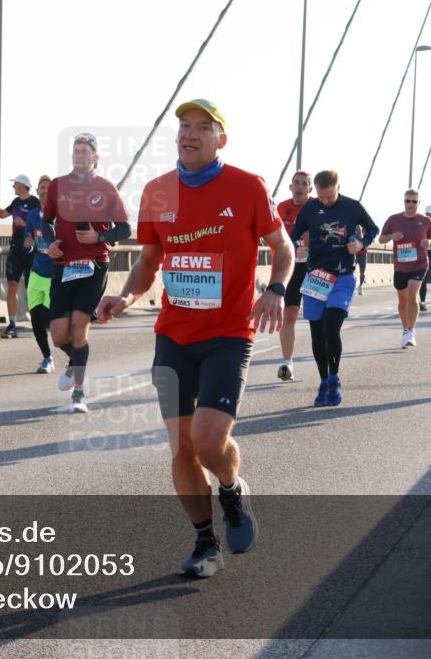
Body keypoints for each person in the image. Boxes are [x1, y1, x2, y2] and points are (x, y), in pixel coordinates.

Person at [96, 98, 293, 578]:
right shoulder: (158, 191)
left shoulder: (248, 187)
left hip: (228, 335)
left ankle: (231, 487)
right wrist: (124, 297)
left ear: (220, 139)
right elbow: (149, 260)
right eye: (184, 126)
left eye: (203, 127)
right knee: (182, 448)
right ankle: (205, 544)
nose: (190, 134)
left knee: (208, 441)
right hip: (174, 337)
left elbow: (282, 247)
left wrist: (276, 289)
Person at [42, 132, 131, 413]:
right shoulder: (57, 186)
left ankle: (78, 393)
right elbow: (46, 222)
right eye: (76, 151)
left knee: (80, 325)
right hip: (64, 266)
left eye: (85, 152)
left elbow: (125, 228)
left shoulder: (105, 188)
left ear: (95, 158)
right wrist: (51, 242)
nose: (80, 155)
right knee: (58, 335)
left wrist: (100, 238)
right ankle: (75, 362)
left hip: (94, 265)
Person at [291, 169, 379, 407]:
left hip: (342, 277)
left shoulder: (352, 207)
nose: (326, 201)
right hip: (316, 277)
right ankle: (323, 381)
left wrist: (361, 243)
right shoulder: (309, 209)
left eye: (330, 197)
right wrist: (297, 246)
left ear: (338, 188)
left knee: (332, 330)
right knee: (317, 334)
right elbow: (292, 235)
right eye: (322, 197)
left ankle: (334, 377)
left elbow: (373, 229)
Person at [0, 175, 41, 338]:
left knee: (32, 288)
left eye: (15, 183)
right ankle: (12, 325)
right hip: (15, 250)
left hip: (32, 250)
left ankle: (38, 321)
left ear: (22, 185)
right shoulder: (16, 203)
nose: (13, 186)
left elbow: (44, 224)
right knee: (12, 285)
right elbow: (1, 214)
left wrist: (26, 224)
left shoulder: (36, 202)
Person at [379, 189, 431, 348]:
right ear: (404, 202)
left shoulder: (425, 220)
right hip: (401, 265)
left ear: (419, 203)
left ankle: (411, 331)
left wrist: (429, 243)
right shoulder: (393, 219)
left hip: (420, 263)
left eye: (414, 201)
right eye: (407, 201)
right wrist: (391, 236)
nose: (410, 204)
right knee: (403, 300)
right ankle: (405, 329)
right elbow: (381, 239)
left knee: (412, 294)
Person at [276, 170, 313, 381]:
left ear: (310, 188)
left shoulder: (317, 207)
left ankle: (324, 359)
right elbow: (275, 236)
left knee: (320, 317)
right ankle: (287, 362)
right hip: (292, 268)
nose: (299, 187)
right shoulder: (282, 208)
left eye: (304, 184)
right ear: (291, 187)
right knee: (288, 315)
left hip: (315, 269)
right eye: (296, 183)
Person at [23, 176, 56, 373]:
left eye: (48, 188)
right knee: (35, 317)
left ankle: (73, 355)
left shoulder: (61, 215)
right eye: (42, 188)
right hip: (37, 271)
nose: (44, 191)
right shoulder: (33, 215)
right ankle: (47, 358)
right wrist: (28, 242)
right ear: (37, 191)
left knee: (50, 319)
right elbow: (29, 236)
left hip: (55, 274)